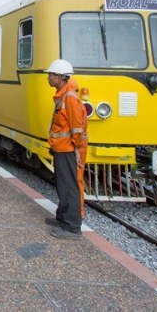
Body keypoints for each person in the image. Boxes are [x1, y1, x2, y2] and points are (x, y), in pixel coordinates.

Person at [44, 59, 88, 240]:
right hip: (62, 148)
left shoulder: (69, 97)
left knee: (69, 186)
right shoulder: (63, 95)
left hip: (69, 149)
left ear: (60, 77)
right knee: (62, 184)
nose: (48, 78)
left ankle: (72, 227)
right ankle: (62, 218)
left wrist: (77, 148)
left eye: (51, 75)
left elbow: (77, 127)